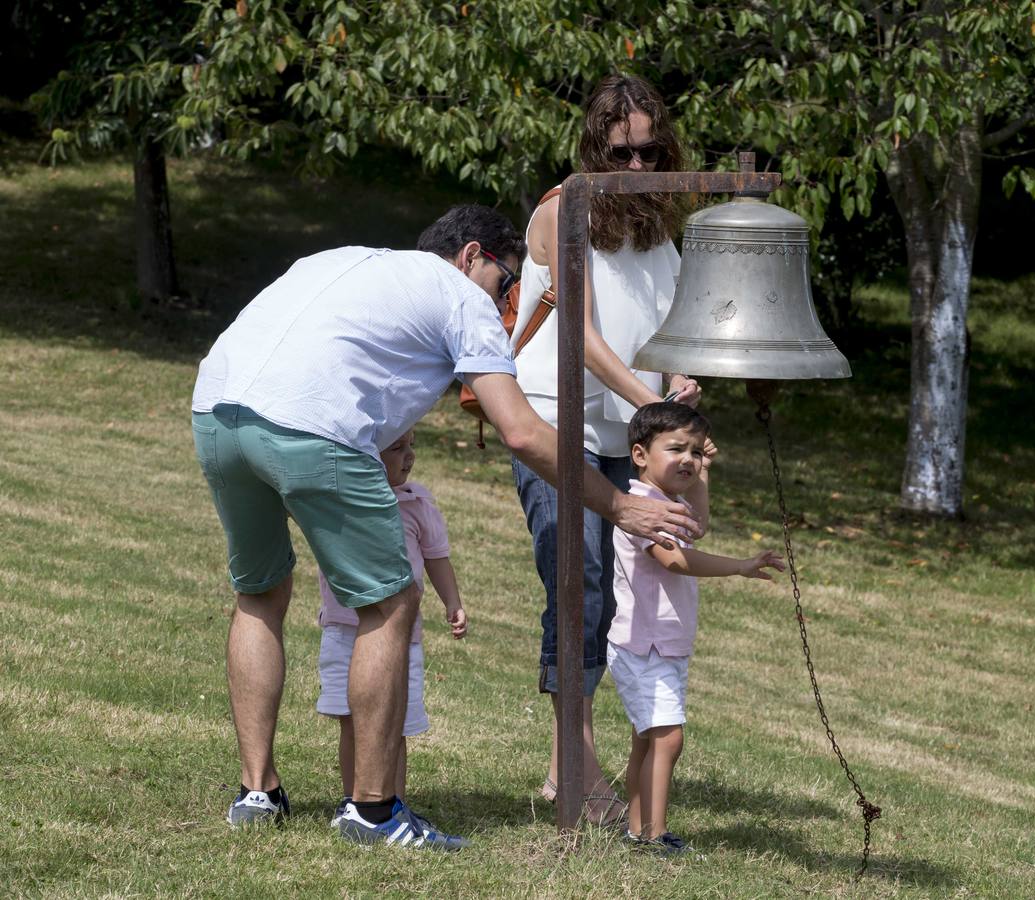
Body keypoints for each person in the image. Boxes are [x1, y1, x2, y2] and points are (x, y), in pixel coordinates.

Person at [191, 204, 698, 852]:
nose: (508, 300)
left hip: (216, 409)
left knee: (260, 591)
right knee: (392, 598)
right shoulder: (463, 297)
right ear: (473, 257)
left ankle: (257, 792)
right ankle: (373, 813)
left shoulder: (344, 259)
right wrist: (620, 505)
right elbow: (520, 430)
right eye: (507, 282)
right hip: (309, 421)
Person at [510, 72, 706, 824]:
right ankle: (580, 763)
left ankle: (575, 764)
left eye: (652, 153)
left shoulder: (658, 232)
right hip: (554, 425)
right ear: (596, 146)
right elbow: (579, 337)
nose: (638, 167)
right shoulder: (563, 212)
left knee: (630, 600)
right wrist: (649, 401)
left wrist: (678, 379)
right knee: (578, 581)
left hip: (631, 434)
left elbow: (672, 327)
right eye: (623, 152)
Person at [608, 402, 784, 854]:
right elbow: (675, 558)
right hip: (644, 645)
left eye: (696, 452)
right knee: (669, 738)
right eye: (676, 449)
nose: (688, 459)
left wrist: (703, 473)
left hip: (661, 645)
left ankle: (637, 828)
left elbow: (698, 527)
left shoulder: (669, 503)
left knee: (647, 740)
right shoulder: (641, 509)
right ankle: (654, 835)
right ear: (640, 454)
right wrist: (739, 566)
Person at [315, 428, 467, 837]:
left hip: (399, 639)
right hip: (343, 629)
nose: (410, 455)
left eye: (412, 445)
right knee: (351, 721)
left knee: (392, 723)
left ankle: (392, 805)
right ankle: (354, 802)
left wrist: (452, 601)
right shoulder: (341, 499)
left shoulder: (417, 503)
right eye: (397, 448)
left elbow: (437, 557)